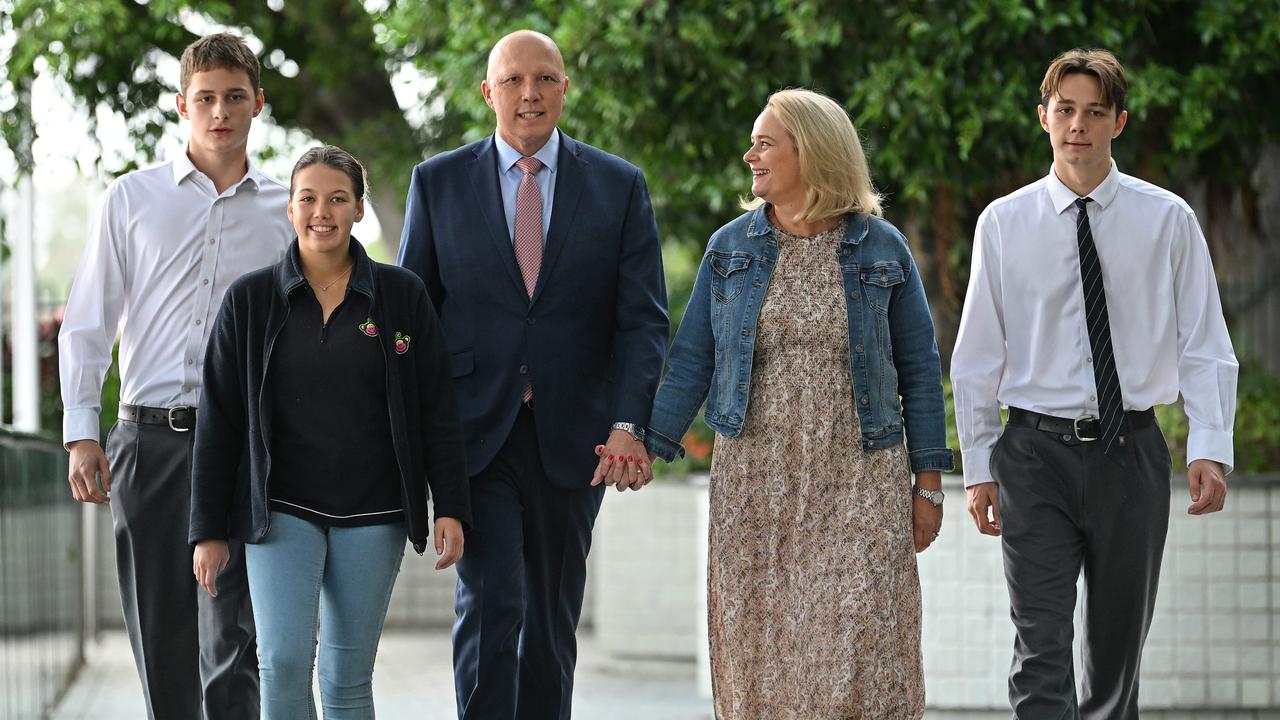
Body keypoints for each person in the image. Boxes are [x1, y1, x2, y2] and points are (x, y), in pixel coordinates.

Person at [644, 88, 952, 719]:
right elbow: (694, 357)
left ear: (811, 152)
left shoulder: (882, 248)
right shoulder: (731, 249)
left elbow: (920, 371)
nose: (750, 154)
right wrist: (647, 443)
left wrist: (928, 485)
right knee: (761, 649)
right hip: (756, 481)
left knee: (866, 646)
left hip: (861, 477)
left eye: (765, 142)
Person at [952, 48, 1237, 719]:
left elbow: (1204, 343)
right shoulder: (1003, 223)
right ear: (1043, 117)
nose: (1078, 124)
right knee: (1039, 648)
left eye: (1095, 112)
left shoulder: (1167, 220)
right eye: (1066, 109)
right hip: (1032, 456)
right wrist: (977, 464)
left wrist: (1209, 445)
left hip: (1129, 453)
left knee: (1116, 657)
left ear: (1119, 122)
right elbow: (976, 357)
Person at [397, 29, 668, 720]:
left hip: (576, 436)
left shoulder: (618, 184)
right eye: (514, 80)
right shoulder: (437, 183)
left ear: (565, 90)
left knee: (550, 617)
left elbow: (643, 321)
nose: (530, 93)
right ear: (488, 91)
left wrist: (629, 424)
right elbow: (412, 318)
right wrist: (413, 435)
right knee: (492, 603)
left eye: (545, 78)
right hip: (474, 434)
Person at [189, 145, 471, 719]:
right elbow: (218, 422)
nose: (323, 211)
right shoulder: (248, 301)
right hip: (280, 509)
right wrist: (208, 529)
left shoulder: (402, 296)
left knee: (345, 678)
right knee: (283, 665)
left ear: (359, 210)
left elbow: (436, 408)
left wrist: (451, 506)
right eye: (309, 198)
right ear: (289, 210)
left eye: (338, 198)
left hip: (375, 510)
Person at [58, 32, 288, 719]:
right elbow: (89, 321)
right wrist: (80, 432)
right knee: (161, 637)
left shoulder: (288, 212)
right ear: (182, 105)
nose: (221, 112)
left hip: (245, 448)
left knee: (235, 640)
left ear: (258, 105)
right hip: (147, 446)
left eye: (235, 98)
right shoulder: (130, 200)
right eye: (206, 99)